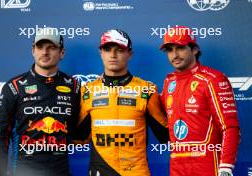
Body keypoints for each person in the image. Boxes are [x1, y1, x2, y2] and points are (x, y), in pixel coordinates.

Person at [0, 27, 81, 176]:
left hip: (61, 172)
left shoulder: (74, 86)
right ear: (33, 50)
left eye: (51, 47)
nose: (45, 52)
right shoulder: (15, 86)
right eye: (40, 46)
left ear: (62, 53)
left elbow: (79, 132)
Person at [76, 29, 169, 176]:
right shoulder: (87, 91)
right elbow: (78, 137)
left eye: (119, 50)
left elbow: (166, 135)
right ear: (101, 53)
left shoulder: (146, 90)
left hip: (136, 172)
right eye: (107, 49)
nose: (113, 55)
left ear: (130, 54)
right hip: (100, 171)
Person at [159, 26, 240, 176]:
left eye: (180, 48)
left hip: (207, 165)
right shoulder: (169, 81)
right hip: (177, 165)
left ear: (194, 49)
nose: (174, 55)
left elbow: (230, 127)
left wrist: (226, 167)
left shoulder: (213, 79)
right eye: (170, 50)